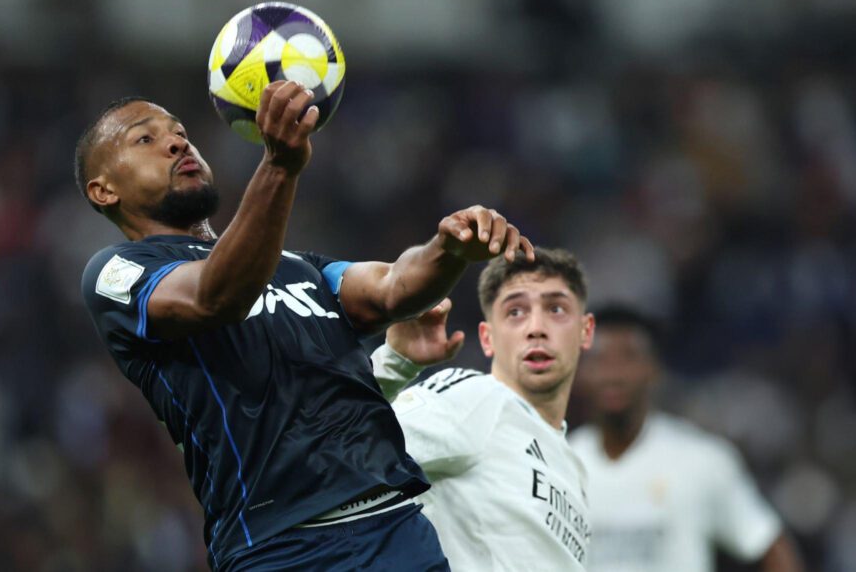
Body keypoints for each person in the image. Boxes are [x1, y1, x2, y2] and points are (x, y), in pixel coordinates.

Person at [75, 79, 534, 571]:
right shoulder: (116, 273)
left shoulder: (295, 264)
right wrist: (278, 165)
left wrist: (450, 249)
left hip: (396, 527)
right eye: (145, 139)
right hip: (283, 546)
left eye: (180, 131)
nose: (177, 142)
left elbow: (393, 288)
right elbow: (215, 296)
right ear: (103, 191)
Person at [372, 248, 596, 571]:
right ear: (487, 338)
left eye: (556, 309)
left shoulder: (574, 466)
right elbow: (347, 445)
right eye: (515, 312)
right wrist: (393, 365)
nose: (536, 328)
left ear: (585, 330)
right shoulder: (475, 399)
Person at [569, 304, 804, 572]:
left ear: (654, 369)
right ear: (581, 373)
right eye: (600, 360)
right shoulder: (560, 465)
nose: (614, 374)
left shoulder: (702, 460)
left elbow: (770, 546)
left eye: (628, 358)